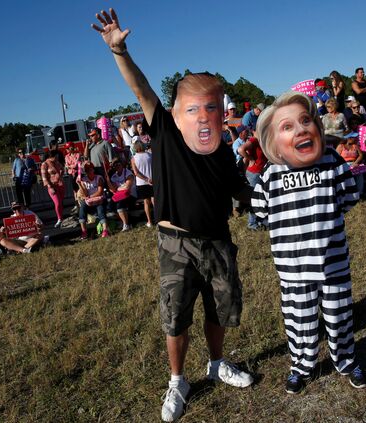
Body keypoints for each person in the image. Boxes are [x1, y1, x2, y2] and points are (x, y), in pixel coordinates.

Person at [91, 9, 253, 422]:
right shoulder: (163, 128)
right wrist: (120, 51)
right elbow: (142, 88)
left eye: (211, 107)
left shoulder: (220, 148)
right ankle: (178, 380)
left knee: (220, 307)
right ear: (179, 109)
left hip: (217, 240)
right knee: (175, 313)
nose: (203, 115)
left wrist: (263, 193)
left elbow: (242, 192)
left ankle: (216, 364)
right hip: (176, 242)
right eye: (194, 107)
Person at [251, 91, 366, 394]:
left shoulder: (332, 162)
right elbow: (259, 211)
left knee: (339, 312)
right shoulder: (270, 176)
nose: (301, 129)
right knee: (299, 319)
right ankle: (301, 366)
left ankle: (346, 360)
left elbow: (348, 197)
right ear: (274, 142)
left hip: (332, 260)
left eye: (306, 121)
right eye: (287, 127)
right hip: (292, 268)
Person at [237, 130, 268, 230]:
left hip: (259, 172)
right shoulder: (254, 140)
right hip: (254, 173)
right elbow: (241, 149)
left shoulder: (261, 140)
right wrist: (250, 158)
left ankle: (260, 220)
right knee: (255, 198)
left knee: (261, 197)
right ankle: (252, 223)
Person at [77, 161, 109, 239]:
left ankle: (105, 230)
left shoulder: (99, 178)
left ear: (93, 169)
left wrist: (90, 196)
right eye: (87, 170)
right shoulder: (84, 179)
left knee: (100, 208)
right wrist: (80, 184)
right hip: (90, 201)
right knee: (82, 207)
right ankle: (84, 231)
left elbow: (100, 191)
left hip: (99, 199)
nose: (89, 171)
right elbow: (84, 194)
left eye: (90, 169)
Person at [106, 158, 136, 231]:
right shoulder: (114, 176)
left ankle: (126, 225)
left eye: (119, 164)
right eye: (115, 165)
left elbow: (128, 186)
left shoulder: (128, 173)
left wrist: (118, 188)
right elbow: (113, 189)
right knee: (110, 207)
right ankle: (125, 222)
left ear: (122, 164)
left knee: (120, 205)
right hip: (120, 196)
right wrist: (108, 182)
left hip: (131, 195)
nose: (117, 166)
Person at [131, 141, 154, 228]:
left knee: (146, 202)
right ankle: (160, 219)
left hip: (142, 183)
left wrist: (146, 179)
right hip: (152, 181)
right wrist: (150, 179)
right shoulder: (150, 155)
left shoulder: (133, 158)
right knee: (154, 200)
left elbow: (136, 173)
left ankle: (149, 221)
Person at [40, 151, 65, 228]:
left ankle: (61, 218)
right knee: (57, 203)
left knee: (60, 203)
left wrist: (61, 172)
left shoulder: (57, 163)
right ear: (52, 157)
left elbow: (62, 168)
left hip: (60, 185)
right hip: (52, 186)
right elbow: (44, 177)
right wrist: (50, 187)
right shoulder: (44, 164)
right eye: (56, 157)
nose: (57, 158)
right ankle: (59, 219)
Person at [64, 142, 82, 212]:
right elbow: (66, 165)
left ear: (71, 147)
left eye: (68, 148)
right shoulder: (66, 156)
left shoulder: (78, 154)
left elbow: (75, 165)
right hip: (71, 174)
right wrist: (71, 166)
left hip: (78, 173)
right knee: (74, 190)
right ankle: (77, 204)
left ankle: (81, 203)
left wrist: (69, 166)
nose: (67, 150)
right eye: (66, 149)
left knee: (79, 188)